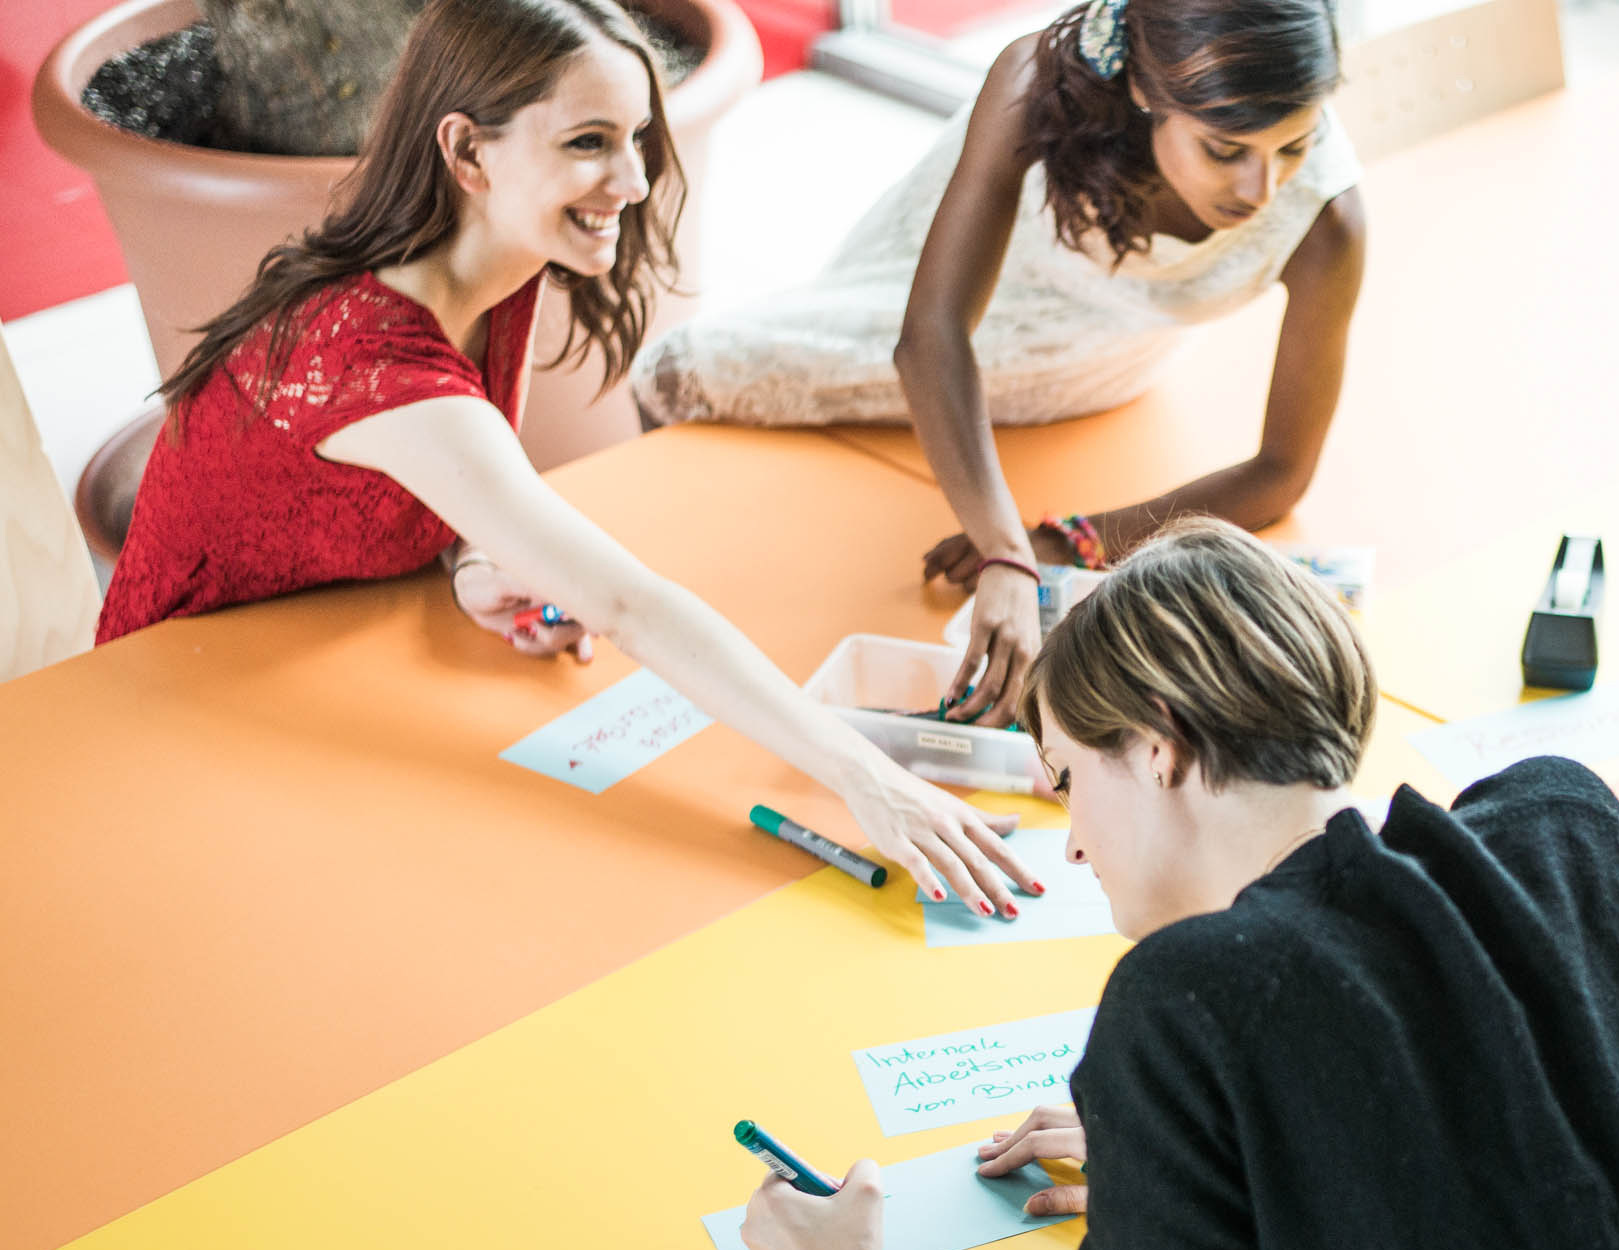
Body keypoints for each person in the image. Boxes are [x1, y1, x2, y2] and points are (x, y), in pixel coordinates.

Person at [96, 0, 1034, 915]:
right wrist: (869, 780)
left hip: (317, 657)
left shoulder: (487, 266)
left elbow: (370, 477)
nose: (631, 180)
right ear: (467, 152)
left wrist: (465, 551)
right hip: (174, 709)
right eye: (587, 143)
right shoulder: (374, 357)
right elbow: (628, 604)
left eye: (635, 137)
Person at [732, 518, 1619, 1250]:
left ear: (1157, 746)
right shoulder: (1564, 818)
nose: (1069, 846)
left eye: (1066, 780)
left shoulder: (1188, 997)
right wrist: (1190, 1175)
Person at [632, 0, 1366, 730]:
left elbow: (1281, 474)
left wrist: (1066, 540)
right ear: (1144, 89)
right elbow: (932, 333)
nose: (1261, 191)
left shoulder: (1326, 219)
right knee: (680, 370)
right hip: (966, 296)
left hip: (1113, 351)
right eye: (1226, 150)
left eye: (1295, 146)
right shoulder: (1035, 82)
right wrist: (1004, 552)